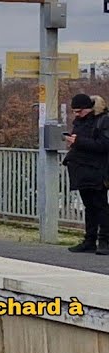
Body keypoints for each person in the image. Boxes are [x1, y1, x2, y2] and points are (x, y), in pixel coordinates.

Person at [63, 93, 109, 254]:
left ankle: (104, 241)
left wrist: (78, 141)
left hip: (97, 170)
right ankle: (90, 240)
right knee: (89, 207)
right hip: (83, 170)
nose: (76, 115)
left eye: (79, 111)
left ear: (88, 109)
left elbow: (104, 145)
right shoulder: (81, 122)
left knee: (100, 206)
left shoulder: (103, 121)